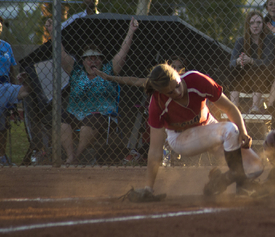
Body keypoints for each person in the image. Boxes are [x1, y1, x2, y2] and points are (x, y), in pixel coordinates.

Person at [93, 63, 264, 197]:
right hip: (182, 138)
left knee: (255, 167)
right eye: (171, 91)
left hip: (207, 126)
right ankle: (242, 189)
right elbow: (154, 150)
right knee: (229, 129)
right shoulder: (157, 102)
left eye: (177, 84)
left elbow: (230, 108)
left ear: (178, 74)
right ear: (161, 92)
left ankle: (220, 181)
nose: (178, 91)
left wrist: (243, 132)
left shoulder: (197, 80)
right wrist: (148, 187)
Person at [54, 17, 138, 165]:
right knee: (61, 118)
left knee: (89, 121)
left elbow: (122, 53)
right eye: (89, 58)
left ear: (101, 60)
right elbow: (61, 55)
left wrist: (131, 31)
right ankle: (70, 155)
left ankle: (75, 157)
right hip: (76, 114)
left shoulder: (108, 70)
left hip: (101, 116)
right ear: (84, 61)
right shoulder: (77, 72)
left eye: (96, 58)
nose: (93, 61)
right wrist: (52, 32)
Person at [0, 13, 31, 166]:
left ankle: (1, 157)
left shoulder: (6, 46)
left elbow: (11, 69)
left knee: (3, 123)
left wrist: (15, 81)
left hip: (6, 85)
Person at [229, 10, 275, 114]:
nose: (255, 26)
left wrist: (251, 60)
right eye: (252, 23)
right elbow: (231, 63)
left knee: (259, 68)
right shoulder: (241, 41)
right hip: (245, 81)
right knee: (234, 68)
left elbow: (269, 63)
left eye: (258, 22)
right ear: (248, 25)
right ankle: (233, 108)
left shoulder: (269, 39)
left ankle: (255, 106)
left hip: (265, 81)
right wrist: (239, 61)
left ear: (263, 24)